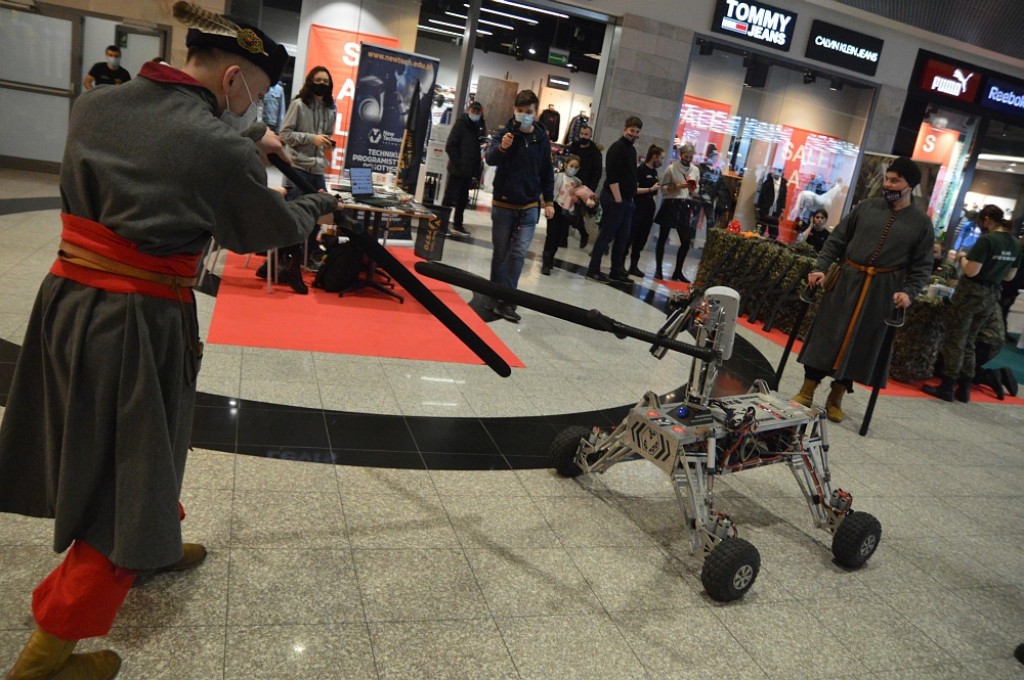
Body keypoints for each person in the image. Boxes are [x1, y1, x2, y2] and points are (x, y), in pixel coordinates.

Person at [1, 12, 342, 679]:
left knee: (138, 442)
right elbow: (259, 226)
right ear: (236, 76)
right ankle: (44, 657)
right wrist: (317, 208)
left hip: (67, 302)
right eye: (259, 92)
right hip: (136, 319)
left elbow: (163, 144)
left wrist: (249, 140)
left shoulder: (96, 105)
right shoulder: (217, 147)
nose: (256, 105)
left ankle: (154, 540)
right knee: (130, 476)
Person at [792, 157, 934, 422]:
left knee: (860, 343)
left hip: (882, 292)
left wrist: (909, 292)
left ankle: (836, 397)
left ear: (910, 186)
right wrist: (821, 267)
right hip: (847, 281)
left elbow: (922, 266)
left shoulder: (921, 223)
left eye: (895, 180)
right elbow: (836, 241)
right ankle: (807, 390)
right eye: (887, 178)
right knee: (827, 335)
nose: (888, 184)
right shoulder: (866, 207)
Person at [923, 204, 1021, 402]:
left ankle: (948, 386)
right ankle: (964, 388)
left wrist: (962, 258)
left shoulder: (987, 240)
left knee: (955, 340)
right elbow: (1010, 276)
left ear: (986, 220)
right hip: (991, 296)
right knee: (970, 340)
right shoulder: (1014, 244)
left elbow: (971, 271)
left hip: (970, 295)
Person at [484, 88, 554, 323]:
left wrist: (549, 200)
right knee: (501, 253)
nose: (524, 115)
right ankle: (495, 294)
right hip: (503, 203)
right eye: (520, 110)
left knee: (518, 254)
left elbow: (547, 172)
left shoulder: (542, 139)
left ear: (536, 113)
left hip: (529, 206)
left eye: (529, 112)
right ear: (514, 110)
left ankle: (508, 301)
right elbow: (490, 158)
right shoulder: (505, 133)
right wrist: (503, 147)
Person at [276, 66, 338, 291]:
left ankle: (305, 256)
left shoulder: (332, 107)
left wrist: (328, 143)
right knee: (294, 217)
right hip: (298, 168)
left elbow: (327, 135)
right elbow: (285, 134)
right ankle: (283, 261)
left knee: (318, 217)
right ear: (310, 81)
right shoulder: (298, 104)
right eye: (318, 79)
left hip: (318, 169)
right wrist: (312, 139)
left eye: (326, 80)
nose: (322, 83)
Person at [585, 116, 643, 284]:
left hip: (626, 200)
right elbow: (612, 177)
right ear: (625, 129)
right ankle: (593, 269)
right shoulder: (617, 148)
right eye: (632, 130)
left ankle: (616, 270)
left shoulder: (631, 150)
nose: (634, 134)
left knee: (623, 237)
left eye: (637, 132)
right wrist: (618, 200)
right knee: (606, 235)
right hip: (614, 198)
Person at [653, 143, 701, 282]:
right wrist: (676, 186)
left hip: (684, 204)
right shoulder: (671, 168)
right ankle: (658, 269)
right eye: (686, 156)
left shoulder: (695, 170)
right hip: (671, 203)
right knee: (663, 237)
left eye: (690, 157)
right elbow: (663, 189)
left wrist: (693, 190)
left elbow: (696, 190)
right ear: (681, 155)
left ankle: (678, 271)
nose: (688, 159)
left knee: (685, 241)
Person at [541, 155, 595, 275]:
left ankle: (551, 258)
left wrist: (578, 200)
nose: (573, 169)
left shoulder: (577, 182)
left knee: (558, 236)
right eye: (571, 166)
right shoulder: (557, 177)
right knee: (551, 235)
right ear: (565, 165)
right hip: (555, 207)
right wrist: (544, 200)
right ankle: (545, 261)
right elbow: (548, 188)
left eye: (576, 167)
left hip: (567, 211)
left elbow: (581, 196)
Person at [442, 101, 484, 236]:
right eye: (474, 111)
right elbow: (450, 146)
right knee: (449, 198)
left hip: (468, 171)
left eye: (478, 112)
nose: (475, 114)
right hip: (457, 170)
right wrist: (458, 163)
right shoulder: (461, 124)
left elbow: (476, 149)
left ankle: (458, 224)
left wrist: (475, 168)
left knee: (462, 200)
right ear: (468, 110)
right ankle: (441, 225)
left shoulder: (477, 126)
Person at [626, 144, 664, 277]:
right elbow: (634, 190)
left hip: (648, 209)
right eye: (661, 158)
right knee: (630, 236)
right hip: (638, 207)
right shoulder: (640, 170)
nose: (662, 162)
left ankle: (634, 265)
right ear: (654, 157)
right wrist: (649, 190)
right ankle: (620, 263)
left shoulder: (654, 172)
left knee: (641, 238)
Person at [566, 125, 602, 248]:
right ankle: (565, 237)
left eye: (586, 134)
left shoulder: (595, 152)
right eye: (581, 134)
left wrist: (591, 189)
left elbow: (597, 173)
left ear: (590, 136)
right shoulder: (574, 146)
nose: (583, 136)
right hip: (570, 183)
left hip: (584, 187)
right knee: (566, 211)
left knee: (576, 213)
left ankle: (583, 233)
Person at [756, 167, 787, 240]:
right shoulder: (768, 182)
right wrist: (758, 208)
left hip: (775, 211)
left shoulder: (783, 184)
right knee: (760, 230)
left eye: (780, 170)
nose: (777, 172)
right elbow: (761, 196)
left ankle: (769, 246)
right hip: (765, 209)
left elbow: (783, 197)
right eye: (776, 170)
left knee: (774, 233)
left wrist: (782, 211)